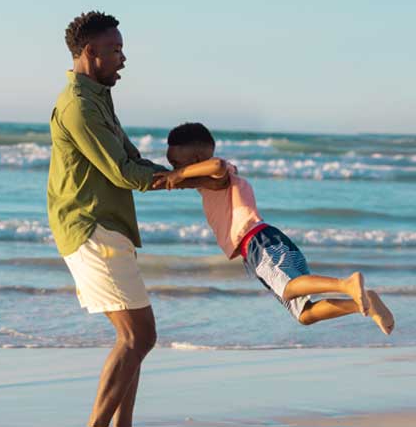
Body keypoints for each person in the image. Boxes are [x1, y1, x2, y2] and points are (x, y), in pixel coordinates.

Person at [47, 13, 224, 427]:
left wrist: (193, 180)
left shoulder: (96, 97)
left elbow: (132, 160)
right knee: (138, 337)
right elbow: (124, 174)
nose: (123, 59)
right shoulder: (78, 106)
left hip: (107, 226)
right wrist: (189, 177)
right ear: (91, 53)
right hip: (90, 227)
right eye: (116, 50)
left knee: (135, 340)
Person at [154, 122, 395, 335]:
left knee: (290, 289)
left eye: (176, 163)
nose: (173, 168)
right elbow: (198, 179)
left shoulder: (221, 176)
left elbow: (216, 165)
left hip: (260, 242)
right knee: (305, 314)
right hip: (262, 246)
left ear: (196, 160)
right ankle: (364, 303)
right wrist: (178, 178)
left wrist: (180, 174)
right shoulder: (209, 182)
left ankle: (346, 284)